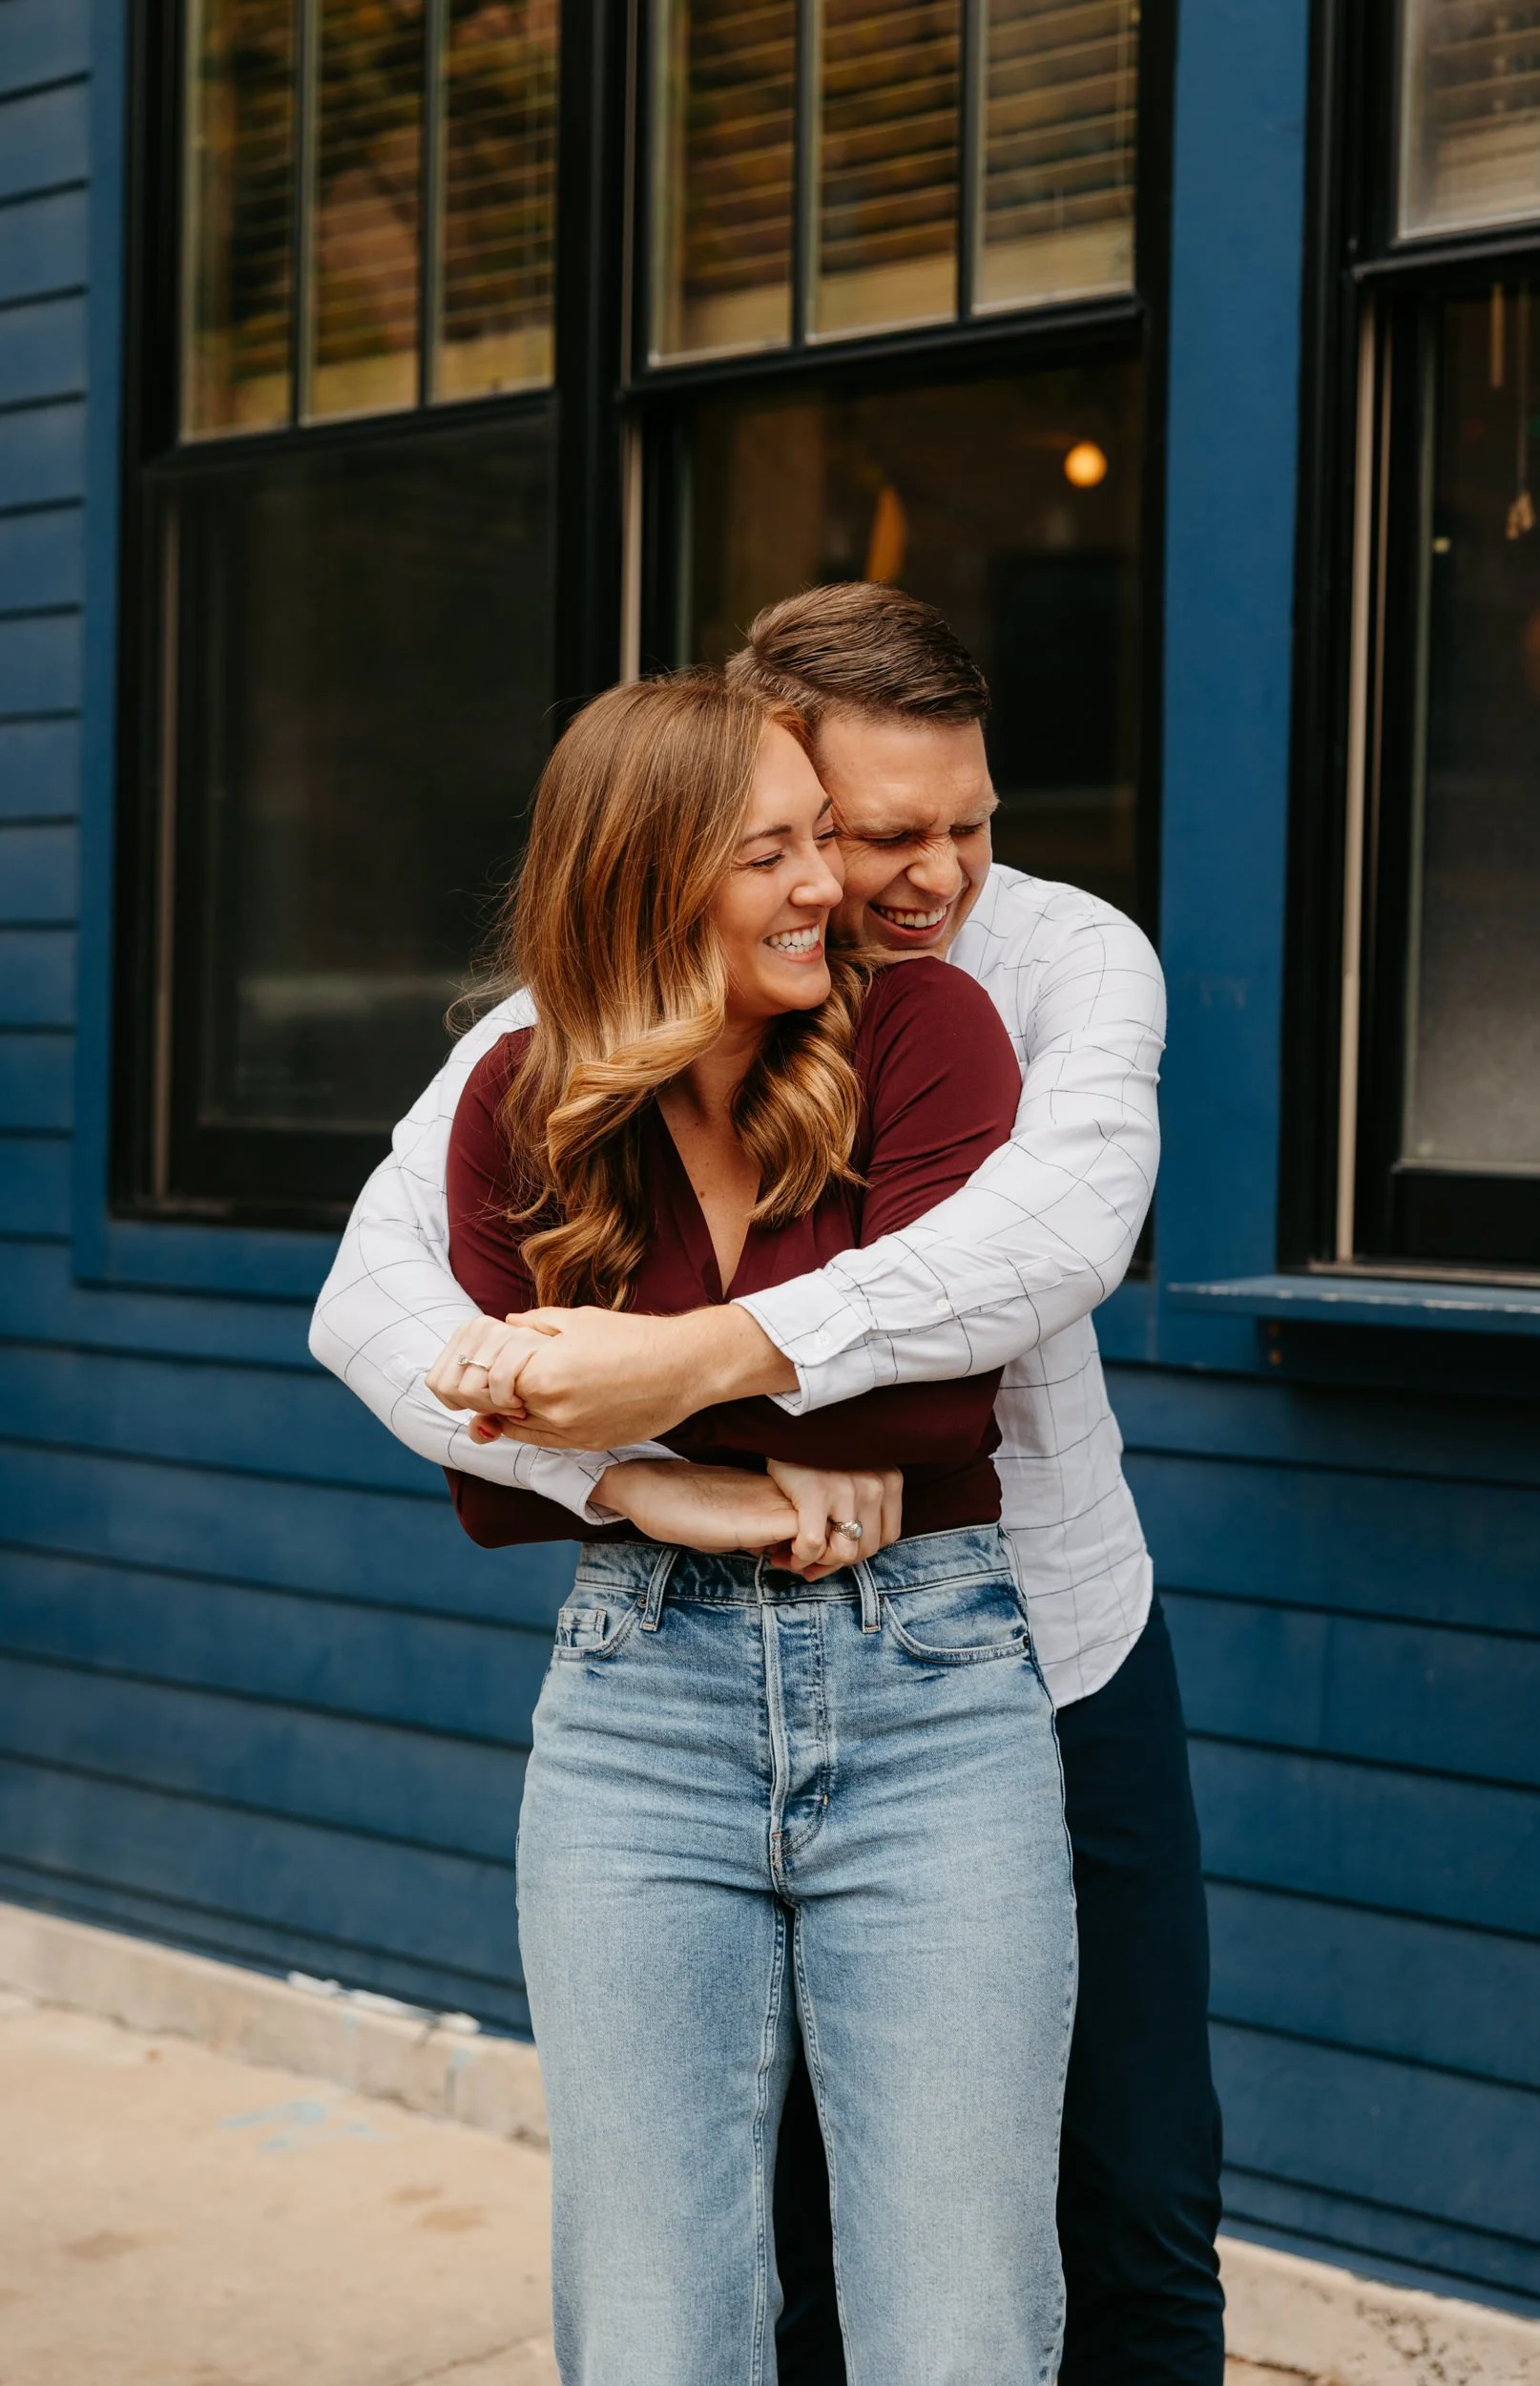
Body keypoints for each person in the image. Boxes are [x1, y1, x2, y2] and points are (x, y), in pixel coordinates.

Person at [310, 584, 1226, 2386]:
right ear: (753, 788)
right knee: (759, 2255)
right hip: (674, 1673)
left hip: (1039, 1636)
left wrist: (683, 1363)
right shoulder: (553, 1038)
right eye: (872, 834)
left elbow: (1045, 1246)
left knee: (1126, 2207)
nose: (929, 876)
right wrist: (624, 1478)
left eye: (969, 822)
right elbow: (377, 1306)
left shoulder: (1048, 963)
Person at [424, 668, 1075, 2383]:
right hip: (637, 1712)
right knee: (653, 2323)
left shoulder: (924, 1030)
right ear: (643, 882)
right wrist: (675, 1484)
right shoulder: (518, 1099)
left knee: (959, 2322)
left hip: (932, 1696)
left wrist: (606, 1394)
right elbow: (486, 1465)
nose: (825, 887)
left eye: (818, 842)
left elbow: (936, 1401)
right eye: (769, 853)